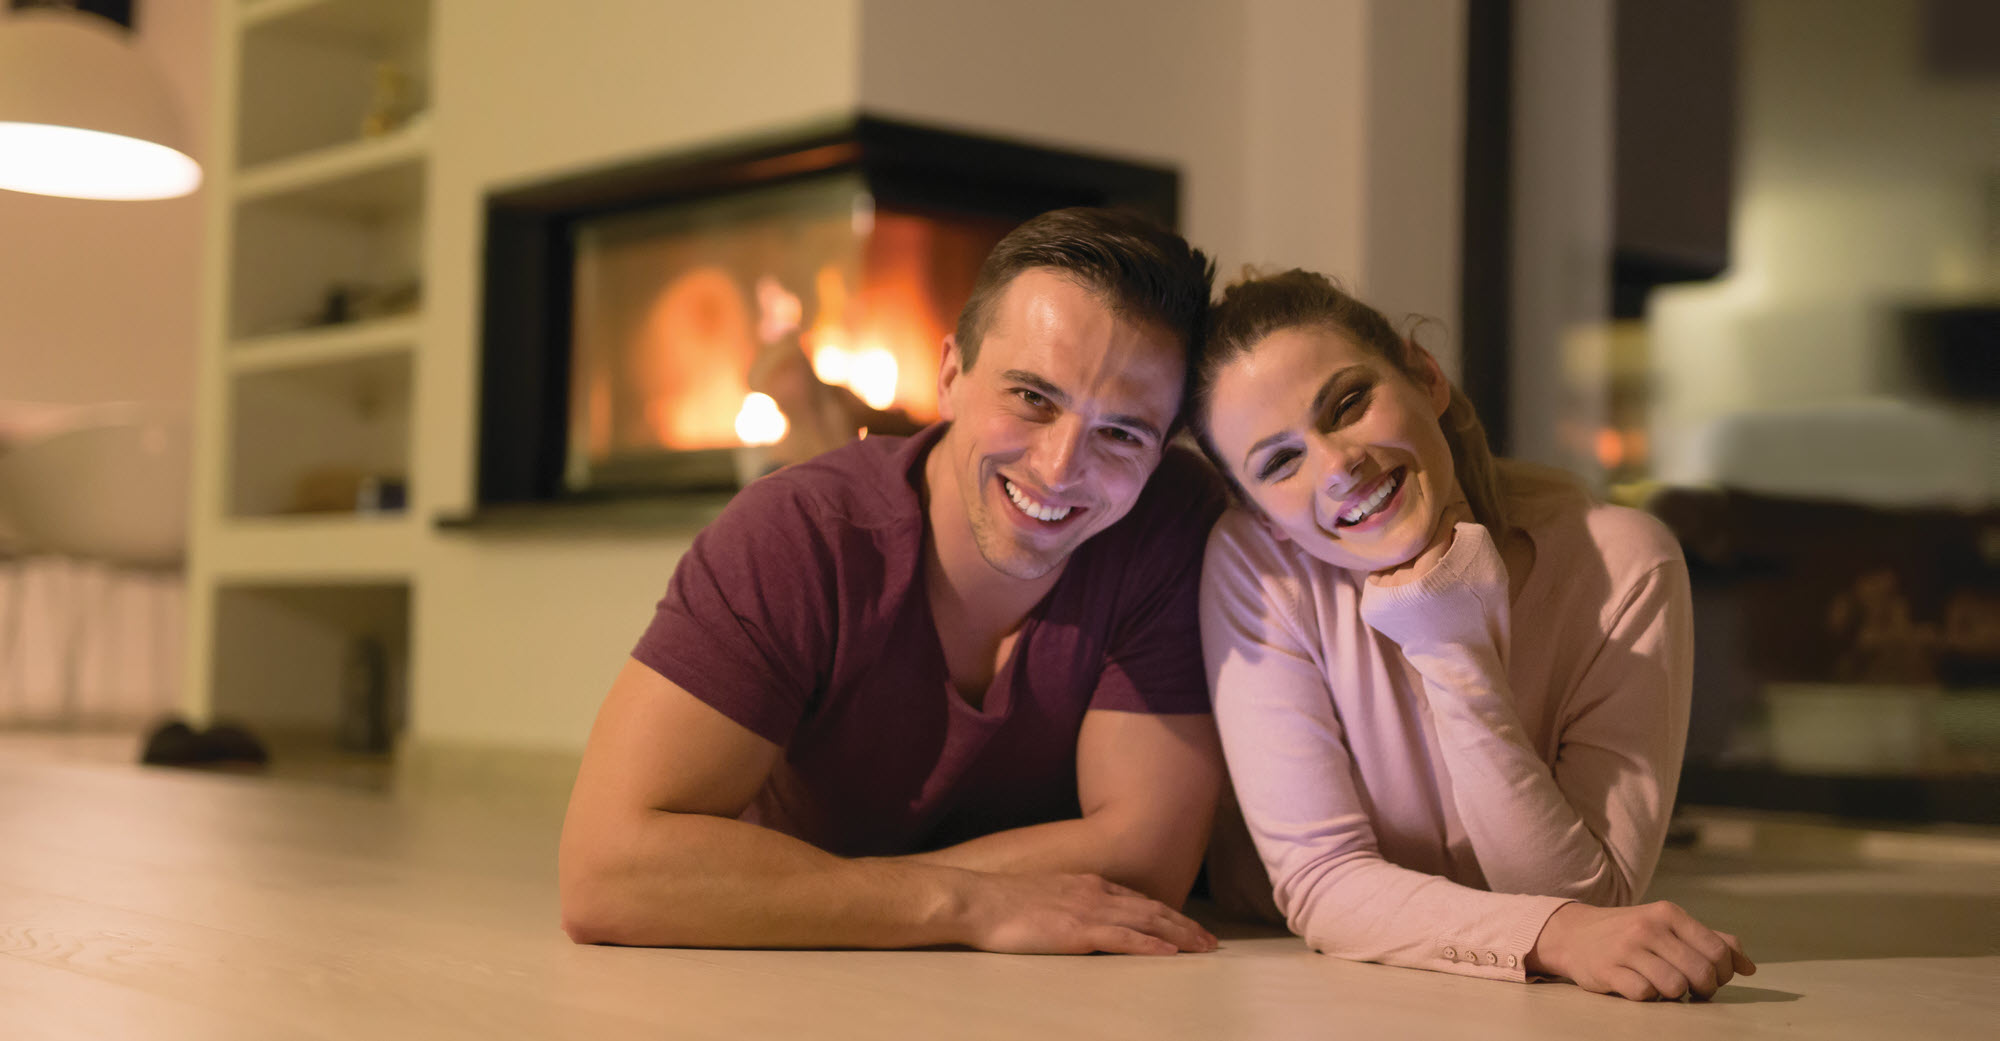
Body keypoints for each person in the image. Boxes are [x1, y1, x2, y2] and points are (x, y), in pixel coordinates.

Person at [560, 208, 1228, 956]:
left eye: (1122, 433)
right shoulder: (794, 534)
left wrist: (809, 890)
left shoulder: (1169, 522)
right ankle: (808, 409)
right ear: (950, 375)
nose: (1060, 466)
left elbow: (1146, 853)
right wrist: (961, 903)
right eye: (1032, 397)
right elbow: (608, 871)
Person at [1192, 269, 1757, 1000]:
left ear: (1425, 375)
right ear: (1264, 514)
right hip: (1302, 988)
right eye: (1279, 462)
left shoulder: (1625, 568)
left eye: (1349, 403)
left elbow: (1594, 901)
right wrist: (1551, 933)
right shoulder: (1256, 563)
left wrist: (1449, 642)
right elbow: (1323, 879)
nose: (1338, 466)